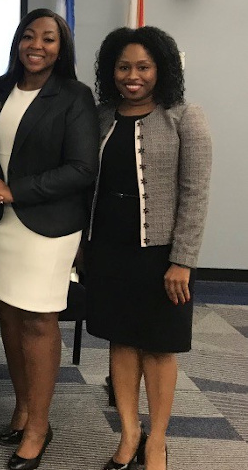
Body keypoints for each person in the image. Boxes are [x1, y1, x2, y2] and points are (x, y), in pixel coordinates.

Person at [0, 8, 98, 470]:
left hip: (49, 226)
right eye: (29, 36)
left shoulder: (74, 96)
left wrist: (14, 190)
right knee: (8, 314)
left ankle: (40, 427)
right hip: (0, 225)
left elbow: (82, 168)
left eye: (48, 38)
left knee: (39, 320)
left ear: (61, 48)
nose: (37, 46)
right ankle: (23, 409)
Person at [87, 26, 211, 470]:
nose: (132, 76)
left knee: (159, 347)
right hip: (109, 249)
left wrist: (183, 260)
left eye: (143, 67)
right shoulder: (101, 117)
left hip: (161, 257)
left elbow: (195, 193)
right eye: (123, 67)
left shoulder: (184, 117)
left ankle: (156, 440)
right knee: (121, 342)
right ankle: (129, 433)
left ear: (162, 69)